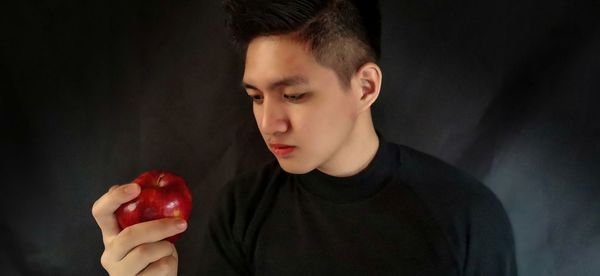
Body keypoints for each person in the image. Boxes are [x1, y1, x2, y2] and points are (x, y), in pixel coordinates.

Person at [92, 0, 518, 275]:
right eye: (256, 97)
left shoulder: (466, 216)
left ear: (365, 87)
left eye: (293, 95)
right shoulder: (242, 210)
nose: (268, 122)